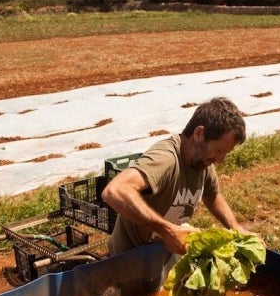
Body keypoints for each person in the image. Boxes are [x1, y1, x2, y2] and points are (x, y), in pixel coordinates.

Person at [101, 97, 256, 256]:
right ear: (199, 133)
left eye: (225, 153)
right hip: (132, 259)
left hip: (164, 253)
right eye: (218, 150)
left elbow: (212, 195)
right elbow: (115, 191)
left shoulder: (201, 161)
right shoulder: (166, 158)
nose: (220, 159)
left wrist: (235, 227)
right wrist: (167, 231)